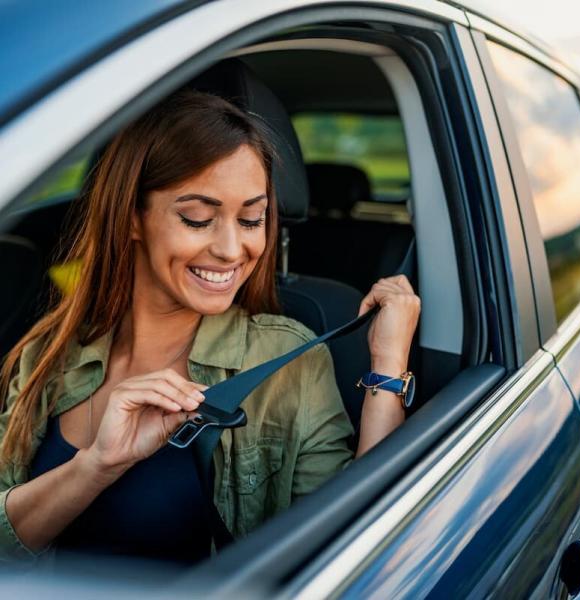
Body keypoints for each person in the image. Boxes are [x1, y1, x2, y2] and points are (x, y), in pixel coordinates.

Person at [0, 90, 420, 565]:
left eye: (251, 219)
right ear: (132, 218)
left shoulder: (287, 359)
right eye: (198, 218)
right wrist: (96, 466)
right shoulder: (48, 353)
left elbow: (356, 546)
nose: (230, 248)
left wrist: (387, 365)